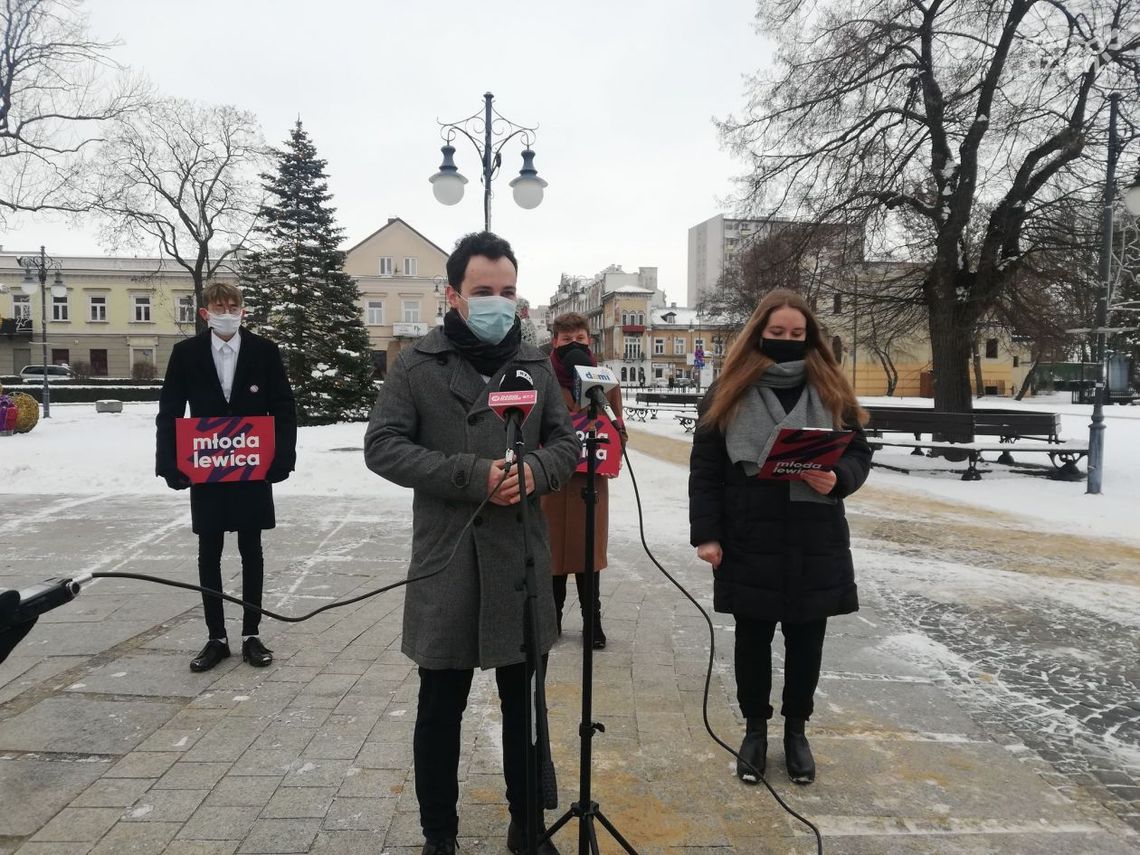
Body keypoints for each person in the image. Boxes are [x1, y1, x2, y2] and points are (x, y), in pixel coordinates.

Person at [364, 232, 579, 855]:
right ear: (454, 295)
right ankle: (440, 835)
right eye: (483, 292)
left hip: (519, 556)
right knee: (440, 709)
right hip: (451, 555)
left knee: (524, 708)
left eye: (507, 292)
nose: (497, 303)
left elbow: (566, 443)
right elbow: (383, 445)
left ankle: (526, 825)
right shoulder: (418, 363)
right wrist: (470, 474)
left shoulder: (536, 364)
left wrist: (535, 472)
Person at [688, 288, 872, 786]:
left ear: (809, 336)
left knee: (806, 640)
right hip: (750, 532)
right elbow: (705, 467)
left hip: (816, 535)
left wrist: (840, 479)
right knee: (753, 640)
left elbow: (859, 453)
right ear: (759, 334)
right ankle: (754, 731)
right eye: (777, 333)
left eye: (797, 334)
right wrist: (707, 533)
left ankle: (796, 732)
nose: (787, 341)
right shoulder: (729, 387)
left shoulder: (830, 386)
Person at [155, 281, 297, 672]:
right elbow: (169, 410)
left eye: (233, 305)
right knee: (209, 552)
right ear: (205, 312)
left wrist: (283, 456)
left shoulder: (264, 351)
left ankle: (251, 633)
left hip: (252, 466)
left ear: (243, 310)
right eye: (219, 305)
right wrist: (169, 463)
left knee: (252, 550)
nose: (227, 311)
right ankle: (216, 636)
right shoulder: (186, 354)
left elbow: (284, 407)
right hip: (207, 466)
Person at [541, 312, 626, 649]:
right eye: (566, 340)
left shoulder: (604, 381)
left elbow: (620, 431)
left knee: (588, 556)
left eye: (579, 339)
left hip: (589, 484)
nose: (573, 346)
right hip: (550, 483)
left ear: (589, 340)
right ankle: (552, 618)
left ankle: (593, 621)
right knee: (552, 557)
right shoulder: (541, 377)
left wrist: (606, 432)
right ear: (554, 342)